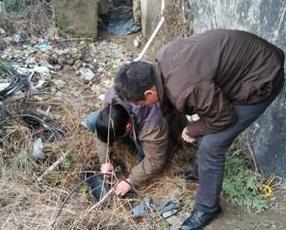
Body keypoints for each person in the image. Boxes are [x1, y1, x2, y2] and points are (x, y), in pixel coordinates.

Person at [113, 29, 285, 229]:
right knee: (205, 128)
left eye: (141, 103)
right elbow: (190, 97)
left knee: (211, 145)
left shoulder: (185, 88)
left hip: (263, 77)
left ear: (149, 92)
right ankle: (203, 173)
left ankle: (207, 208)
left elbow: (224, 117)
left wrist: (192, 130)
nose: (142, 107)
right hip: (248, 63)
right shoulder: (163, 58)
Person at [85, 87, 187, 197]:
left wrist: (130, 181)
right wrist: (105, 160)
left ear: (128, 126)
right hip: (132, 121)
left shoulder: (152, 127)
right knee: (92, 120)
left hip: (166, 126)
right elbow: (105, 124)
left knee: (144, 156)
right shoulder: (112, 98)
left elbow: (155, 160)